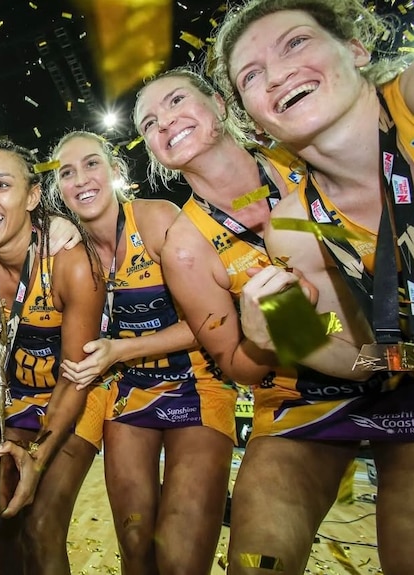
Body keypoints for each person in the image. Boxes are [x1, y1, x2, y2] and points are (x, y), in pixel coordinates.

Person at [212, 2, 414, 573]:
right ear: (252, 118)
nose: (275, 75)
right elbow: (366, 361)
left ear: (356, 50)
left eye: (295, 43)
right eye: (251, 75)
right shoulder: (291, 229)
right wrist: (282, 338)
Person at [49, 130, 236, 574]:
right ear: (58, 189)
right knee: (135, 546)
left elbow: (214, 321)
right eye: (67, 172)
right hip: (129, 393)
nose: (81, 179)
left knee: (179, 555)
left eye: (92, 164)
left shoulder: (155, 218)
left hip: (198, 384)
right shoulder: (67, 247)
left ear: (116, 170)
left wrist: (119, 348)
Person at [0, 138, 106, 574]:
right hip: (11, 400)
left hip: (76, 393)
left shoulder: (73, 265)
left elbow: (76, 376)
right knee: (1, 515)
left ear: (33, 196)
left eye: (1, 185)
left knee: (41, 524)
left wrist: (35, 457)